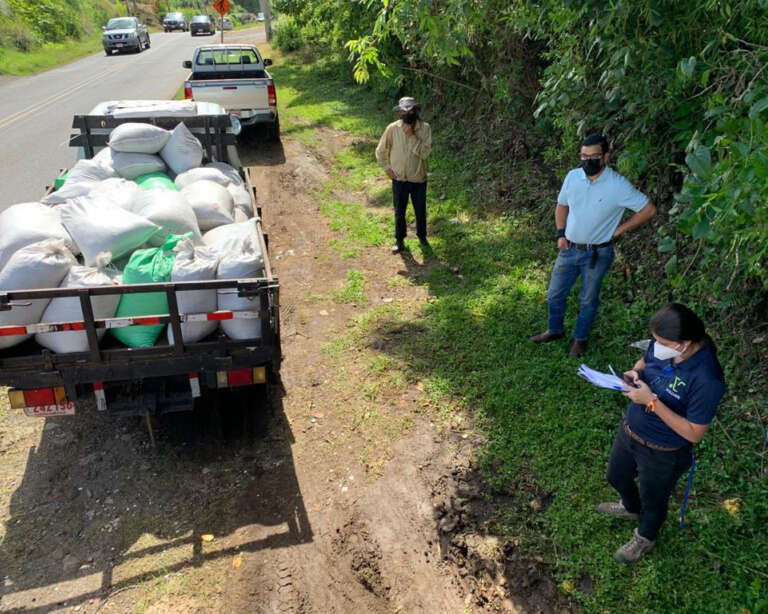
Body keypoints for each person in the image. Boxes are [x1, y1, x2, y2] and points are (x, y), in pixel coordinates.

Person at [597, 303, 726, 563]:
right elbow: (644, 362)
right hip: (630, 433)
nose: (656, 346)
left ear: (684, 343)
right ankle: (631, 509)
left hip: (663, 453)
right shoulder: (663, 348)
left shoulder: (706, 379)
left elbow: (694, 433)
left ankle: (645, 537)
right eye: (655, 340)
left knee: (653, 500)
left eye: (662, 342)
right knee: (616, 476)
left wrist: (651, 402)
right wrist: (636, 373)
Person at [530, 133, 657, 357]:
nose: (587, 161)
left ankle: (580, 339)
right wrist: (560, 234)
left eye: (594, 156)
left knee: (588, 298)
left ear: (606, 157)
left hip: (597, 253)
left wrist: (620, 229)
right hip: (568, 248)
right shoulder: (572, 177)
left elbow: (649, 209)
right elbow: (561, 206)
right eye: (583, 156)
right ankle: (554, 330)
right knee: (555, 293)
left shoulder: (618, 185)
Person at [375, 96, 433, 254]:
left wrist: (411, 136)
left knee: (420, 209)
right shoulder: (392, 129)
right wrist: (387, 168)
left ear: (415, 111)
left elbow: (425, 153)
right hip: (399, 178)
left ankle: (422, 237)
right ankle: (399, 240)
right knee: (399, 211)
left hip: (418, 178)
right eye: (403, 111)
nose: (407, 113)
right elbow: (380, 151)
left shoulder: (425, 128)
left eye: (410, 110)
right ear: (400, 112)